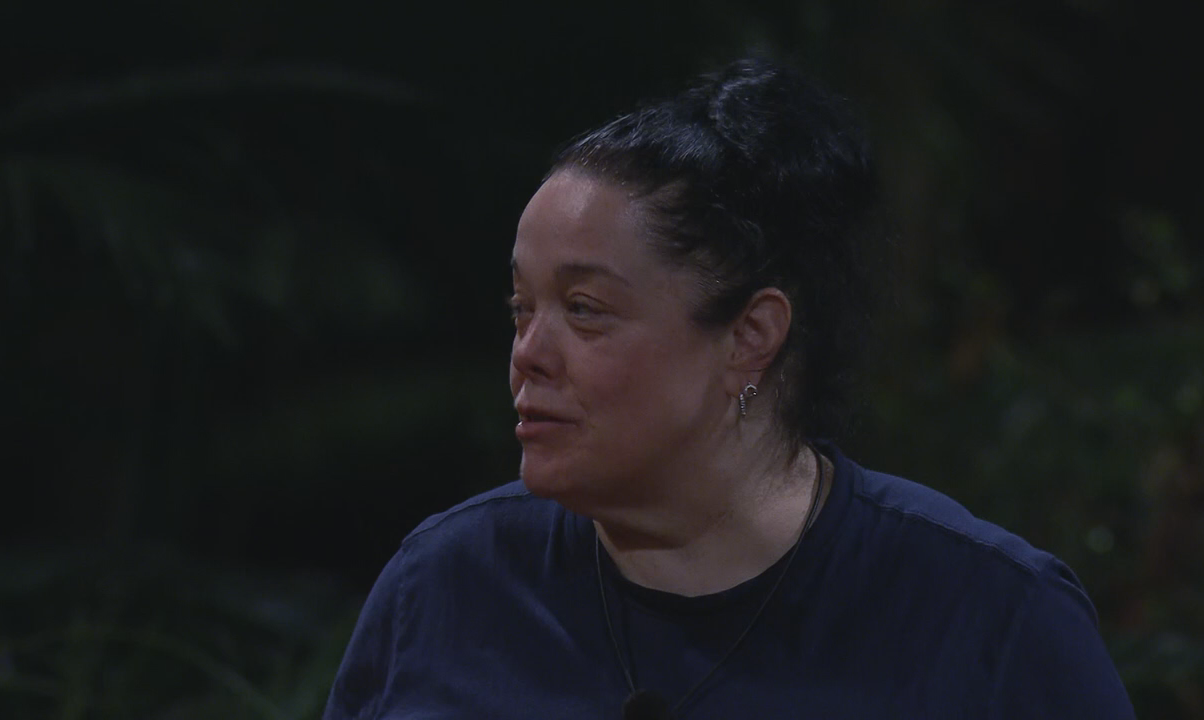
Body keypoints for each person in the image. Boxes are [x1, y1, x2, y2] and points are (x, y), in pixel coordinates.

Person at [322, 57, 1136, 719]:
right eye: (520, 308)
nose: (528, 354)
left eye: (584, 309)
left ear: (750, 337)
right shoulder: (446, 586)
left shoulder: (992, 620)